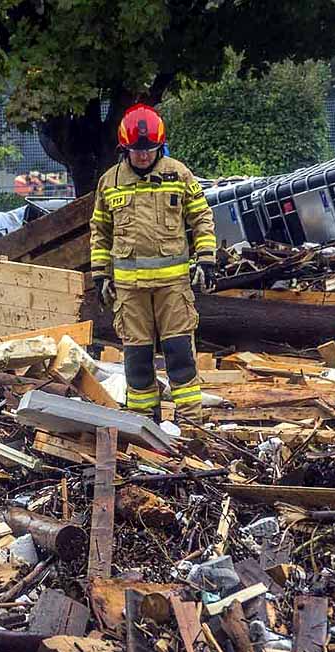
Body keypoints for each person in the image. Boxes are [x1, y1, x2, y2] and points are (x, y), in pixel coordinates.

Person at [89, 103, 217, 420]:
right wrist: (100, 275)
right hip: (130, 291)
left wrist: (206, 258)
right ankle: (143, 424)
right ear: (125, 148)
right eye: (137, 150)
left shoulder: (178, 175)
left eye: (149, 149)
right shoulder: (110, 182)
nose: (144, 155)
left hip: (172, 287)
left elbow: (201, 217)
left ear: (160, 145)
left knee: (179, 354)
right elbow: (100, 230)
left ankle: (190, 423)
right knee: (137, 359)